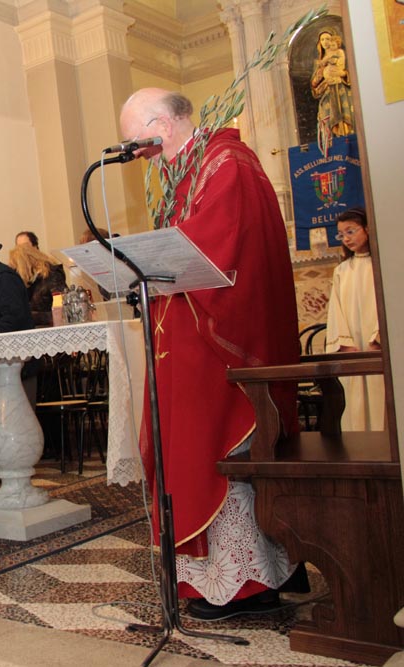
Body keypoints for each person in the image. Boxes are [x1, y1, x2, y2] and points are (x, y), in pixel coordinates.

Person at [119, 89, 303, 619]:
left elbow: (220, 250)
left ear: (163, 124)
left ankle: (245, 585)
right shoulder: (188, 171)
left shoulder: (227, 161)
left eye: (135, 140)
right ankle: (233, 578)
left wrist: (155, 259)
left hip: (218, 351)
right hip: (184, 348)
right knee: (189, 455)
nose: (134, 153)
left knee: (216, 457)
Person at [325, 207, 384, 431]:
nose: (346, 239)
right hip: (354, 347)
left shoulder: (381, 265)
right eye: (341, 235)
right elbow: (336, 310)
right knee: (357, 402)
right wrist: (344, 343)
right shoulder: (342, 270)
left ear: (367, 229)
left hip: (377, 345)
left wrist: (379, 337)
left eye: (351, 231)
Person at [311, 31, 354, 149]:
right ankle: (335, 147)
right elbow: (314, 85)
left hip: (342, 92)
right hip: (327, 94)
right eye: (322, 39)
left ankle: (349, 142)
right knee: (329, 121)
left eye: (328, 39)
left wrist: (343, 73)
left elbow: (351, 73)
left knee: (346, 118)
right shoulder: (319, 62)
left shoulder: (341, 54)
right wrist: (321, 74)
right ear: (319, 43)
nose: (325, 42)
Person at [8, 244, 67, 328]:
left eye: (16, 268)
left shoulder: (53, 276)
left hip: (52, 329)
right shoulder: (31, 281)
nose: (15, 272)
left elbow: (62, 311)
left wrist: (28, 316)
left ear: (24, 265)